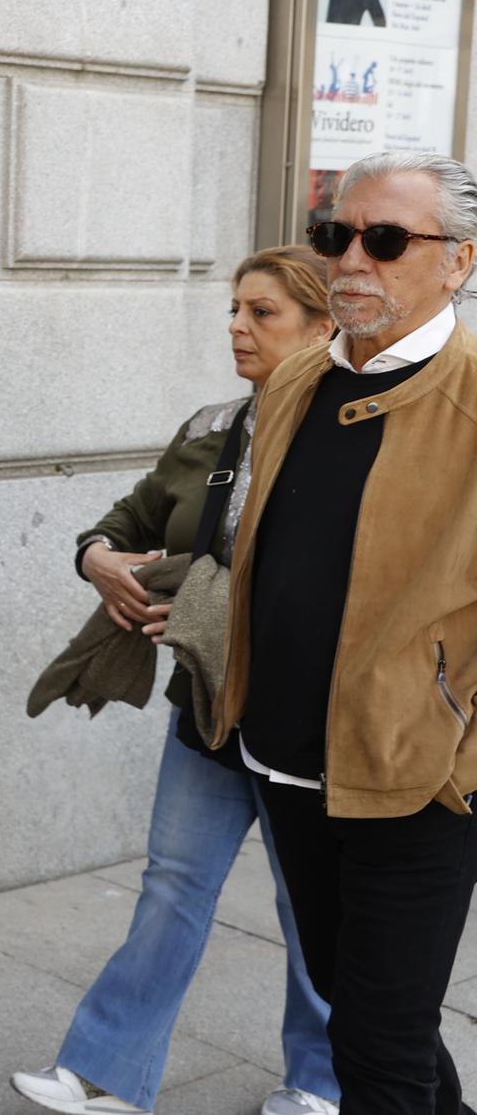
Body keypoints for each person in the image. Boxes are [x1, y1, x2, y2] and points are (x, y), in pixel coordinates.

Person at [10, 247, 341, 1115]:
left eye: (262, 312)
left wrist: (205, 599)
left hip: (310, 721)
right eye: (235, 308)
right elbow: (126, 518)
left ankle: (319, 1081)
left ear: (323, 326)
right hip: (207, 706)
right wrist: (99, 560)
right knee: (171, 886)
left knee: (314, 907)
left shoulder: (352, 437)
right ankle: (108, 1073)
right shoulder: (213, 425)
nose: (236, 325)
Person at [211, 151, 477, 1115]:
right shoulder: (293, 385)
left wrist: (459, 745)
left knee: (378, 1047)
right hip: (286, 762)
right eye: (337, 236)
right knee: (368, 1017)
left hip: (416, 782)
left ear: (460, 261)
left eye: (388, 239)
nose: (351, 260)